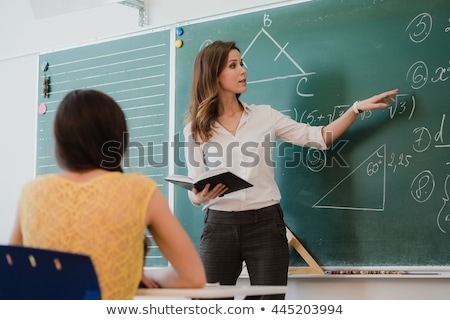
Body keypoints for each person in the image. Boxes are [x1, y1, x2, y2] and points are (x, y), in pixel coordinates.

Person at [183, 40, 398, 299]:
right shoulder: (195, 129)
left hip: (265, 225)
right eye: (233, 65)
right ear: (213, 75)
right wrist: (199, 195)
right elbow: (193, 190)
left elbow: (319, 138)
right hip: (219, 226)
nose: (243, 70)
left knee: (270, 305)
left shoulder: (265, 116)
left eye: (241, 63)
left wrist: (355, 109)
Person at [9, 89, 206, 299]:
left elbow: (11, 271)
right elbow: (192, 277)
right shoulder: (140, 191)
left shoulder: (31, 194)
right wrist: (132, 275)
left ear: (60, 141)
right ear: (118, 141)